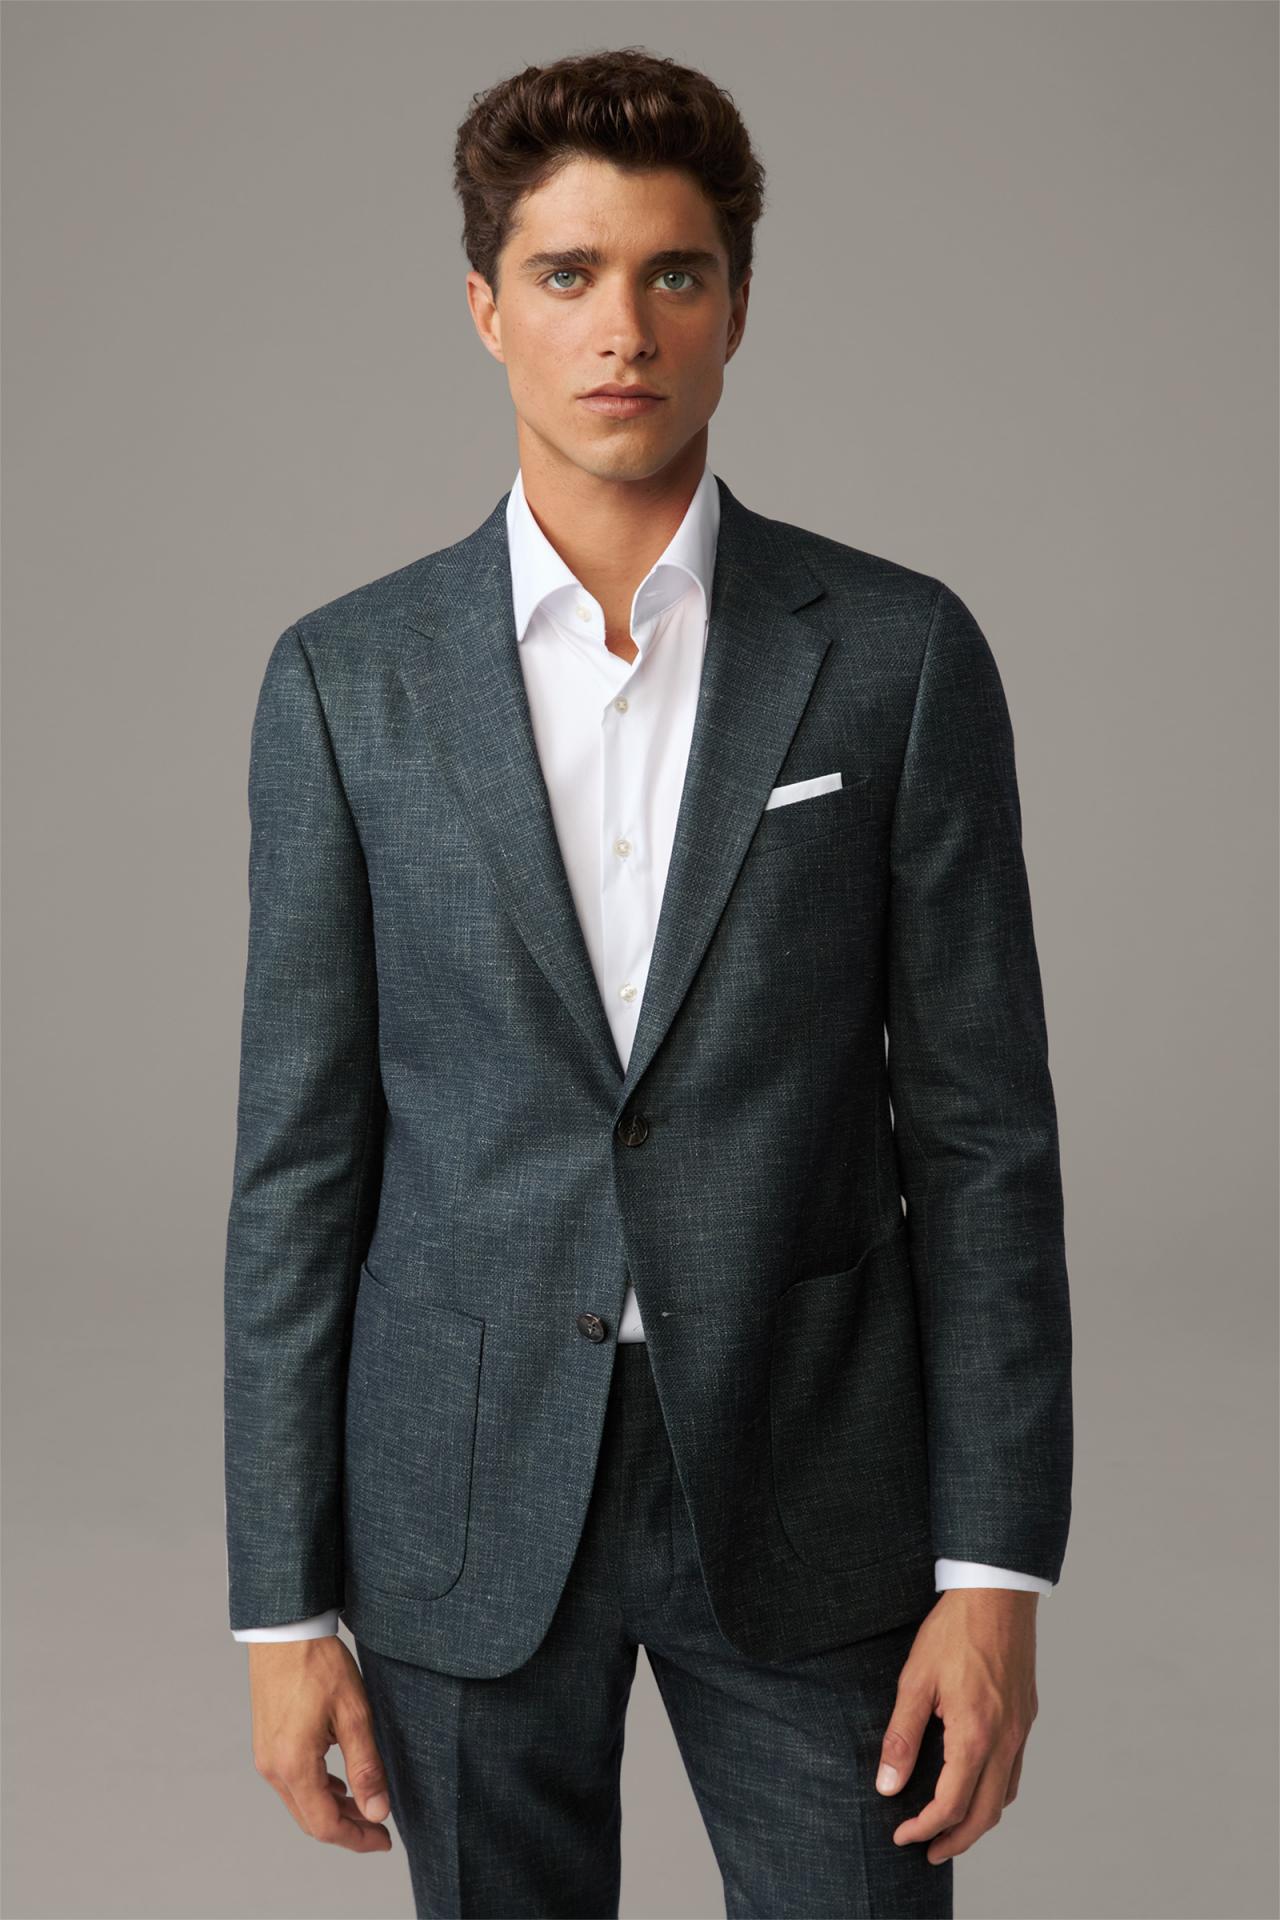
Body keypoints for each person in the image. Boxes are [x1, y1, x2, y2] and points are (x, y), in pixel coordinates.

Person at [223, 45, 1073, 1920]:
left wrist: (995, 1575)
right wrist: (281, 1606)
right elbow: (298, 1167)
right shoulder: (345, 684)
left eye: (673, 273)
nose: (624, 328)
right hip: (461, 1496)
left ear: (737, 306)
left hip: (814, 1477)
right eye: (567, 274)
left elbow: (985, 1143)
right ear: (485, 307)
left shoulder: (899, 656)